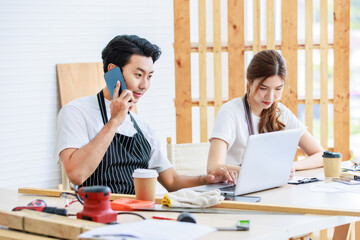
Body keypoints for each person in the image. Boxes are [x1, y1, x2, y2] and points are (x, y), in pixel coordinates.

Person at [56, 35, 236, 194]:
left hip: (139, 214)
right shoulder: (76, 112)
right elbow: (77, 175)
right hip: (97, 216)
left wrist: (207, 179)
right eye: (138, 74)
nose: (144, 85)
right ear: (113, 71)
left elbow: (172, 181)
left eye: (149, 76)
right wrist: (114, 121)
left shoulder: (142, 127)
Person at [207, 50, 324, 178]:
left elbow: (321, 155)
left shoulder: (281, 112)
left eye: (278, 89)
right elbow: (213, 167)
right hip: (235, 189)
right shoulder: (230, 112)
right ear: (250, 82)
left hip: (270, 185)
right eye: (263, 88)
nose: (270, 96)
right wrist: (264, 171)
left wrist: (291, 167)